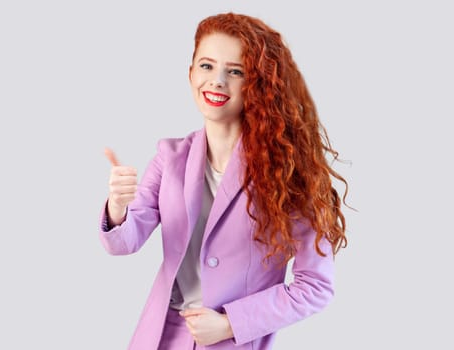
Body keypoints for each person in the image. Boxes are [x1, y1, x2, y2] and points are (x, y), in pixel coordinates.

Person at [100, 12, 348, 350]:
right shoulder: (169, 157)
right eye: (206, 66)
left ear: (259, 83)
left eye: (235, 71)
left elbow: (316, 286)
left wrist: (231, 323)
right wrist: (117, 207)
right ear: (190, 75)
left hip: (231, 340)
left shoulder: (287, 172)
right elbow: (124, 243)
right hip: (158, 337)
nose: (216, 81)